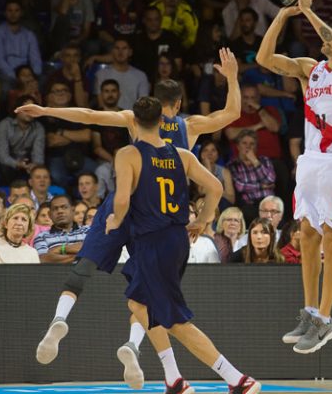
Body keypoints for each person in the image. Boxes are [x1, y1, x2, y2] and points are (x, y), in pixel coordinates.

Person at [22, 50, 240, 385]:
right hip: (158, 217)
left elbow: (88, 115)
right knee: (146, 292)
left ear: (148, 105)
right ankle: (135, 346)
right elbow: (233, 113)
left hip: (123, 203)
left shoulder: (132, 121)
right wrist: (233, 77)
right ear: (178, 104)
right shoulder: (189, 127)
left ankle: (60, 318)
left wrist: (45, 110)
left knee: (86, 264)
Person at [105, 95, 261, 394]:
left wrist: (115, 220)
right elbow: (215, 187)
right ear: (162, 122)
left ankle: (238, 380)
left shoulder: (129, 153)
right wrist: (203, 219)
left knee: (174, 321)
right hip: (175, 239)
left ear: (134, 122)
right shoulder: (182, 154)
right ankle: (174, 379)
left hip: (153, 242)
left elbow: (122, 199)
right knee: (139, 304)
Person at [256, 0, 332, 354]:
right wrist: (285, 12)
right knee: (306, 233)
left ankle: (325, 318)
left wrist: (307, 9)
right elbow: (264, 58)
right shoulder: (311, 70)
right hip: (310, 160)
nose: (326, 37)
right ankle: (308, 310)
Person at [0, 95, 45, 184]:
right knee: (5, 170)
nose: (30, 113)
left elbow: (38, 156)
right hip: (6, 164)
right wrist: (18, 164)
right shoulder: (5, 125)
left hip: (27, 164)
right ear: (17, 110)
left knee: (40, 172)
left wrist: (34, 165)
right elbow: (2, 156)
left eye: (33, 110)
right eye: (26, 110)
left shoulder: (38, 128)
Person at [32, 195, 88, 264]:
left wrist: (57, 251)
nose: (60, 211)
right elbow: (43, 259)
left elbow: (95, 252)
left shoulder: (87, 231)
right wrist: (65, 249)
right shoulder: (41, 237)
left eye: (64, 207)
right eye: (55, 209)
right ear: (50, 215)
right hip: (58, 274)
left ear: (73, 210)